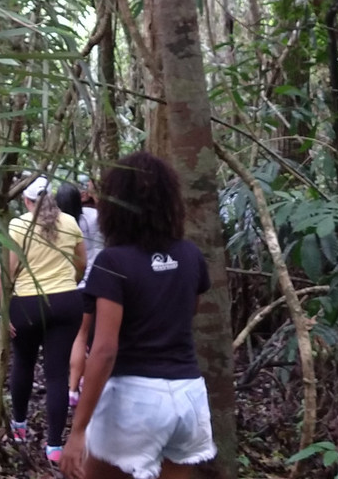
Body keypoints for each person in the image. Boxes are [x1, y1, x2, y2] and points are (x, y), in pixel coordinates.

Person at [61, 152, 216, 479]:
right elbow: (186, 315)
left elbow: (104, 350)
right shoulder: (191, 255)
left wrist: (78, 431)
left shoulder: (113, 263)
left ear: (116, 205)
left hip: (134, 399)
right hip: (188, 399)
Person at [0, 175, 86, 464]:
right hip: (66, 302)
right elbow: (81, 264)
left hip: (27, 305)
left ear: (26, 201)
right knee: (57, 373)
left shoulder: (18, 225)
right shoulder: (71, 224)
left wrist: (4, 311)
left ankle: (20, 427)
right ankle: (54, 447)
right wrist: (67, 284)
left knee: (23, 361)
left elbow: (7, 274)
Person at [68, 176, 104, 407]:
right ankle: (93, 384)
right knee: (99, 338)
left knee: (80, 337)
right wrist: (96, 194)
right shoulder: (96, 216)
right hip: (102, 284)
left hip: (76, 286)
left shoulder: (64, 223)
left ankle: (73, 388)